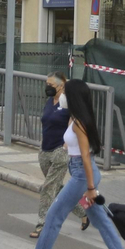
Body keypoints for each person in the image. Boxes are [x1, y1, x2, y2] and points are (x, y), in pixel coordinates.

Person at [17, 79, 125, 249]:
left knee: (54, 215)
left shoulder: (80, 123)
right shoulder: (73, 117)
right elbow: (70, 145)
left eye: (64, 90)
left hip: (83, 175)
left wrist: (90, 188)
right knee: (100, 220)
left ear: (73, 96)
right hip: (78, 171)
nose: (61, 93)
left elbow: (86, 157)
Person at [31, 73, 86, 238]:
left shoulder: (68, 102)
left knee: (48, 188)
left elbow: (77, 121)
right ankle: (84, 211)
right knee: (58, 189)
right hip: (45, 151)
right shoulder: (50, 101)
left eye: (50, 84)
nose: (47, 86)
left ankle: (42, 224)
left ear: (61, 86)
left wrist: (66, 146)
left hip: (60, 152)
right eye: (46, 83)